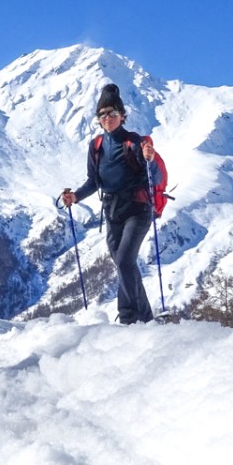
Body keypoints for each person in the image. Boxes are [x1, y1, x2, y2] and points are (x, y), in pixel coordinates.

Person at [61, 83, 163, 324]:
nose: (107, 117)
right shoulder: (96, 146)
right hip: (112, 212)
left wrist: (151, 159)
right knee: (123, 264)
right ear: (98, 119)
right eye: (103, 114)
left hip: (138, 211)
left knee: (126, 260)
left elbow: (154, 177)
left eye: (112, 113)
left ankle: (129, 316)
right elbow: (94, 181)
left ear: (122, 116)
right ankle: (146, 318)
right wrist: (75, 196)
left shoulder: (135, 142)